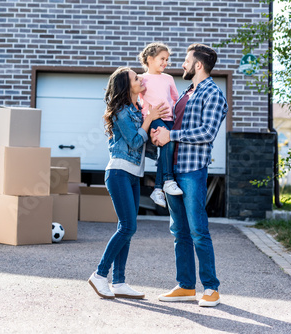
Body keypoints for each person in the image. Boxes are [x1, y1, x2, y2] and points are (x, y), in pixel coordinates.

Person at [151, 43, 227, 307]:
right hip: (172, 170)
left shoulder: (214, 94)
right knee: (179, 231)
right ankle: (185, 285)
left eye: (185, 60)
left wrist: (172, 135)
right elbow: (171, 126)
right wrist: (159, 134)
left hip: (192, 170)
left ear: (198, 65)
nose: (181, 64)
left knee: (198, 230)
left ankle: (211, 288)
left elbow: (207, 133)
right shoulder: (186, 93)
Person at [88, 66, 167, 299]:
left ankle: (119, 282)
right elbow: (133, 142)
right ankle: (100, 275)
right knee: (127, 227)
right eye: (135, 78)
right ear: (126, 86)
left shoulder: (137, 109)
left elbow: (144, 145)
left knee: (127, 228)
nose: (141, 79)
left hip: (133, 174)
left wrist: (156, 135)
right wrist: (149, 119)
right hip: (119, 173)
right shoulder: (121, 111)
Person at [138, 42, 183, 208]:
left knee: (167, 148)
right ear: (150, 59)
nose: (165, 63)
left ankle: (158, 189)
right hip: (153, 118)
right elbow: (135, 99)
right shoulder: (142, 79)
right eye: (162, 59)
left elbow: (175, 99)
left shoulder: (168, 78)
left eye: (167, 60)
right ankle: (168, 180)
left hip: (169, 118)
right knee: (166, 145)